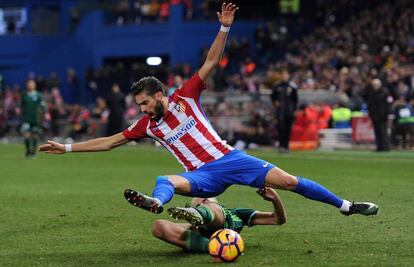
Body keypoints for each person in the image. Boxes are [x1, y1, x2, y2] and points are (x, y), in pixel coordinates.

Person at [39, 3, 378, 218]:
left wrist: (225, 27)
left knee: (288, 180)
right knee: (163, 179)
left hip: (230, 159)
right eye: (139, 105)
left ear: (159, 94)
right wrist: (66, 147)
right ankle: (157, 203)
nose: (142, 109)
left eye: (145, 102)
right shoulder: (148, 125)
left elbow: (212, 60)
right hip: (201, 176)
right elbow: (109, 141)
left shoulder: (186, 96)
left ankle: (346, 206)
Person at [150, 187, 286, 253]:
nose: (203, 199)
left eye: (205, 198)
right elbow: (160, 228)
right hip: (205, 234)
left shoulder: (237, 213)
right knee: (158, 226)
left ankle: (200, 215)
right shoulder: (195, 225)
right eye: (200, 201)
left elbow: (277, 219)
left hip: (225, 227)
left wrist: (275, 200)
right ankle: (213, 247)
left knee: (212, 210)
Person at [271, 70, 298, 153]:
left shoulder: (292, 86)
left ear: (288, 75)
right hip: (280, 112)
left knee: (288, 129)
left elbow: (295, 99)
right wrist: (275, 102)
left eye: (285, 75)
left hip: (289, 111)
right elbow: (272, 97)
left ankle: (286, 146)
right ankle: (281, 146)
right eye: (283, 75)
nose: (284, 76)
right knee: (280, 129)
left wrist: (294, 110)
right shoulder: (277, 86)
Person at [363, 78, 392, 152]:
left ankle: (385, 147)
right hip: (374, 115)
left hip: (382, 116)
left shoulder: (385, 92)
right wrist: (370, 113)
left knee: (383, 132)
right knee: (377, 132)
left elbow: (389, 103)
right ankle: (379, 147)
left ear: (379, 85)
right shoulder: (372, 93)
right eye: (373, 85)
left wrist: (387, 113)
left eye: (376, 85)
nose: (374, 86)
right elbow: (370, 104)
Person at [21, 79, 48, 158]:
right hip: (26, 119)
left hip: (36, 119)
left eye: (31, 84)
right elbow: (20, 104)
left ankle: (34, 151)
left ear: (34, 85)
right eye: (29, 84)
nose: (30, 85)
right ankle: (28, 150)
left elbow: (43, 104)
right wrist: (18, 108)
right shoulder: (24, 94)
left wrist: (46, 113)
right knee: (26, 135)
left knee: (35, 135)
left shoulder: (38, 95)